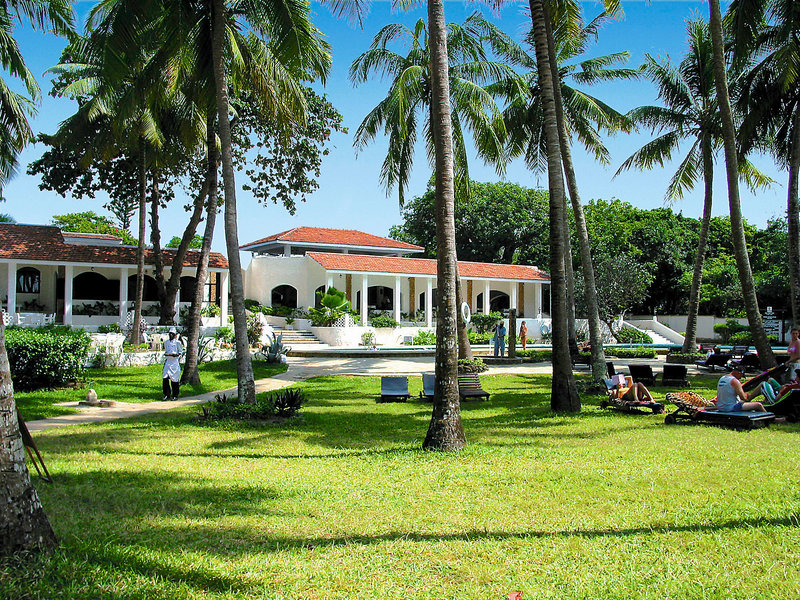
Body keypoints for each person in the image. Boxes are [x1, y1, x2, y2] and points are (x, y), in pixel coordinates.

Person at [162, 327, 183, 401]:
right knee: (165, 378)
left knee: (174, 380)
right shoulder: (166, 342)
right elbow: (166, 351)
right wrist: (167, 354)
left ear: (175, 335)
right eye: (170, 334)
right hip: (168, 362)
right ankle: (166, 394)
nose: (171, 335)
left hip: (174, 363)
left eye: (172, 334)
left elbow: (180, 352)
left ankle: (175, 395)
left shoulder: (178, 343)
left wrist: (176, 355)